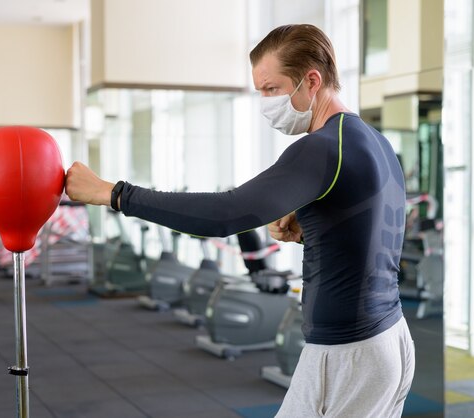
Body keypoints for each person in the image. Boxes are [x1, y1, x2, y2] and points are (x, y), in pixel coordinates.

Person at [66, 23, 414, 418]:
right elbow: (374, 231)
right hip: (386, 339)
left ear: (312, 80)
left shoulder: (321, 148)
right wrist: (309, 228)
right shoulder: (371, 140)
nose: (265, 102)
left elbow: (226, 214)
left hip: (350, 353)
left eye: (271, 89)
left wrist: (114, 193)